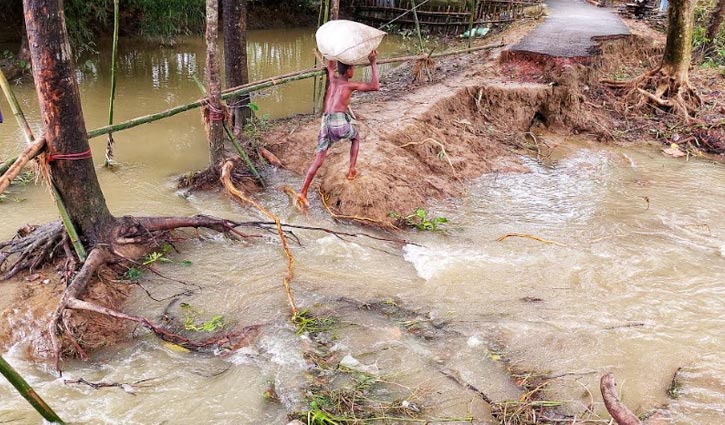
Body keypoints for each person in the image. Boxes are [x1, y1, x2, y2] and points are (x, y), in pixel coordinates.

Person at [293, 49, 380, 210]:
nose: (354, 70)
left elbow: (330, 65)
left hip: (325, 122)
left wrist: (332, 51)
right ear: (349, 71)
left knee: (318, 159)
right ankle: (352, 170)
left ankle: (303, 192)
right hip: (338, 122)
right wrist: (373, 62)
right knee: (356, 137)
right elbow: (375, 86)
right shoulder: (349, 85)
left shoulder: (332, 79)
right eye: (353, 68)